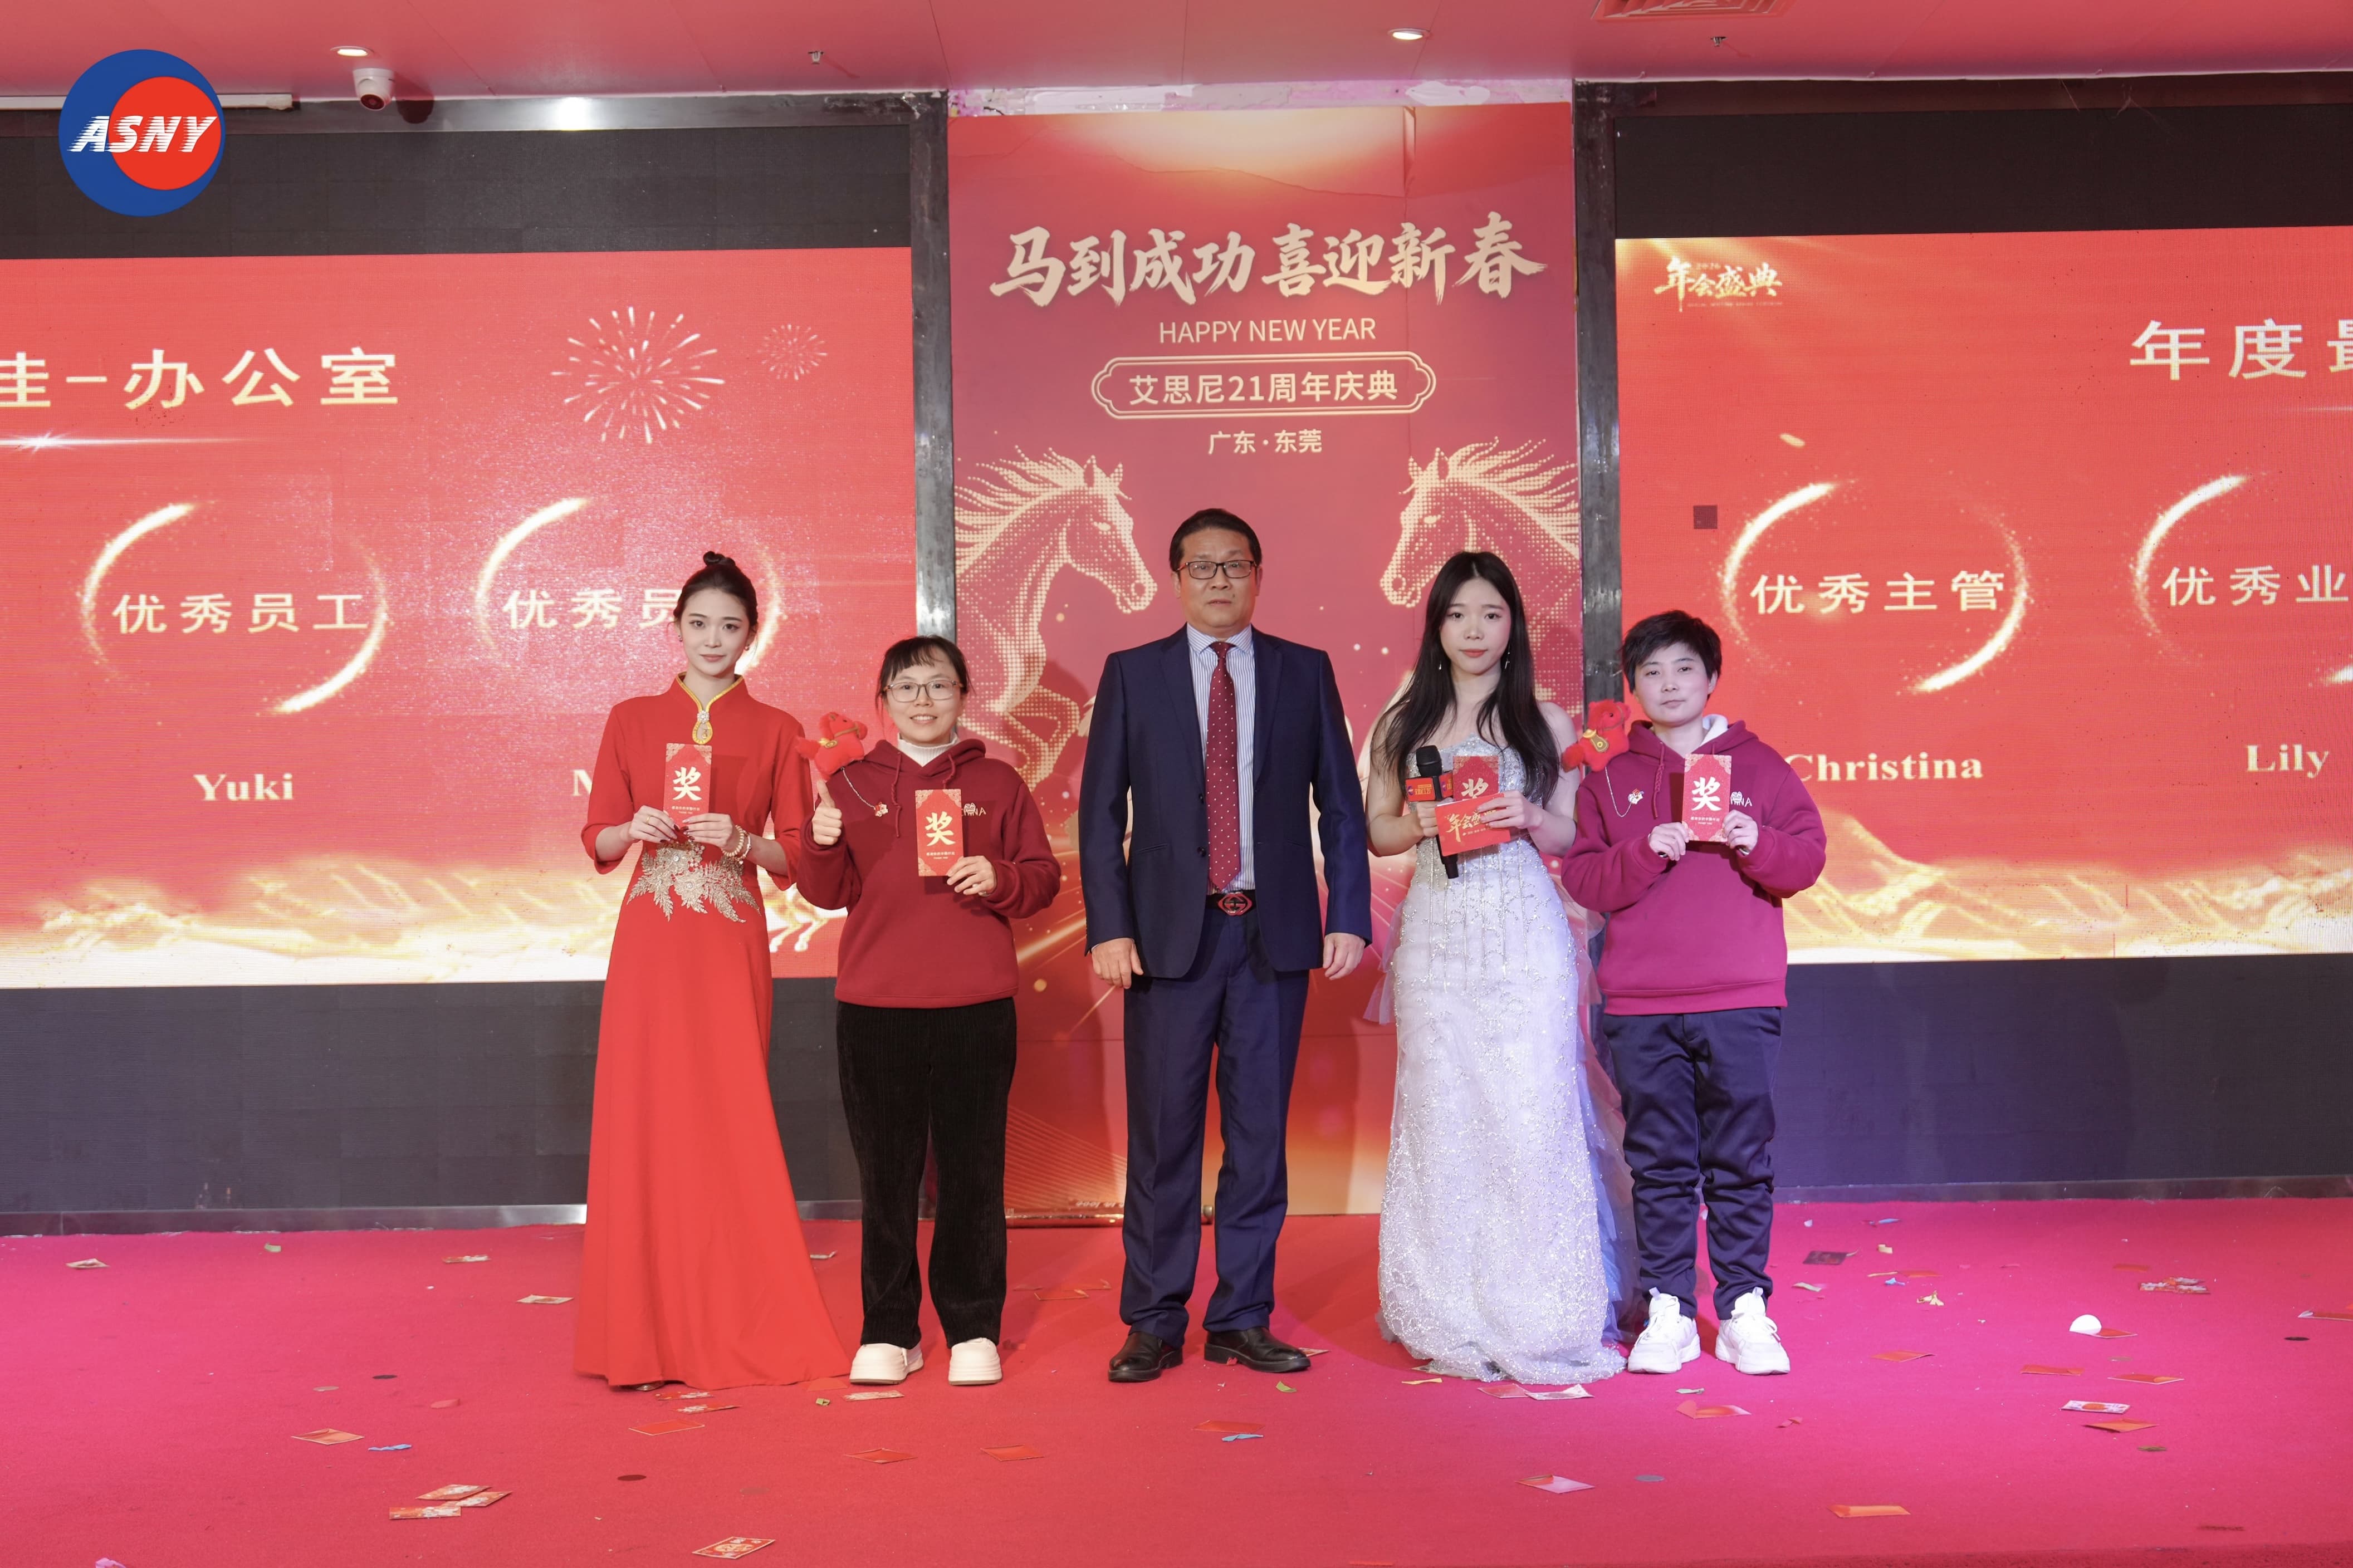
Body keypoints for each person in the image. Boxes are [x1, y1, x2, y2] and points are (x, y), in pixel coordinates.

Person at [1078, 507, 1372, 1384]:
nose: (1218, 580)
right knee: (1163, 1138)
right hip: (1166, 943)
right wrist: (1109, 926)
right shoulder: (1133, 673)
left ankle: (1242, 1315)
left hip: (1271, 939)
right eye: (1201, 566)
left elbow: (1340, 807)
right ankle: (1153, 1319)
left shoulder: (1301, 670)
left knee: (1257, 1140)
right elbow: (1100, 814)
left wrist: (1347, 913)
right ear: (1175, 578)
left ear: (1257, 575)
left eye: (1234, 565)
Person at [574, 552, 849, 1391]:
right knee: (645, 1111)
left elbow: (796, 858)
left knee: (728, 1107)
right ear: (676, 628)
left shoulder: (776, 729)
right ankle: (643, 1332)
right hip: (652, 939)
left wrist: (744, 840)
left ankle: (733, 1314)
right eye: (699, 624)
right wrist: (634, 828)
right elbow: (597, 837)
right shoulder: (629, 718)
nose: (713, 640)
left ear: (751, 635)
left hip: (728, 936)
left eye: (730, 626)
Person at [1364, 551, 1623, 1385]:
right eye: (1457, 615)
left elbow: (1571, 836)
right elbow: (1377, 829)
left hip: (1524, 939)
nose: (1474, 631)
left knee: (1529, 1109)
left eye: (1490, 614)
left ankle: (1541, 1305)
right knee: (1442, 1114)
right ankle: (1444, 1305)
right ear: (1435, 626)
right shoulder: (1403, 720)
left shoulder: (1545, 721)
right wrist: (1420, 824)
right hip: (1437, 939)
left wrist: (1527, 815)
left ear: (1513, 625)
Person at [1559, 610, 1826, 1376]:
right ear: (1633, 687)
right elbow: (1584, 879)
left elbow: (1805, 861)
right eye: (1651, 672)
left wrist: (1756, 841)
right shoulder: (1610, 778)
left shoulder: (1761, 766)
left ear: (1711, 678)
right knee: (1660, 1161)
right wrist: (1644, 851)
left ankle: (1744, 1309)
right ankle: (1669, 1308)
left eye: (1684, 668)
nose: (1669, 684)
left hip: (1741, 996)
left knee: (1740, 1158)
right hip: (1642, 1003)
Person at [798, 635, 1059, 1389]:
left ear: (963, 695)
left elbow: (1041, 878)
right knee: (886, 1178)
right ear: (883, 701)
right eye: (906, 687)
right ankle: (890, 1330)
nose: (923, 700)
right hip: (876, 1008)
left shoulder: (998, 782)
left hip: (976, 1006)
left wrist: (999, 876)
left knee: (973, 1175)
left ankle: (973, 1326)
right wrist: (819, 842)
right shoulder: (848, 785)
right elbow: (825, 893)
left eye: (939, 685)